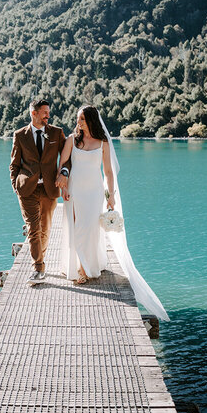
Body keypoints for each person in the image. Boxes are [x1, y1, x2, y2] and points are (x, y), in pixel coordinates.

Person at [58, 105, 169, 321]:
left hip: (94, 192)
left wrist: (110, 195)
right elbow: (63, 163)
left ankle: (86, 266)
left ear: (91, 120)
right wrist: (63, 186)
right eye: (78, 119)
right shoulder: (72, 140)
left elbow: (108, 171)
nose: (79, 123)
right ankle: (79, 267)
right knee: (76, 227)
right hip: (74, 189)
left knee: (90, 229)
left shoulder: (103, 143)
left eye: (82, 119)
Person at [9, 99, 71, 285]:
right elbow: (14, 164)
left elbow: (67, 158)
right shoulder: (20, 135)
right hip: (27, 190)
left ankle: (39, 260)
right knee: (33, 229)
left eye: (48, 112)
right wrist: (16, 186)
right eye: (44, 112)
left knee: (45, 229)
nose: (48, 116)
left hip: (49, 189)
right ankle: (38, 268)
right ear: (33, 113)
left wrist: (65, 173)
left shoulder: (56, 133)